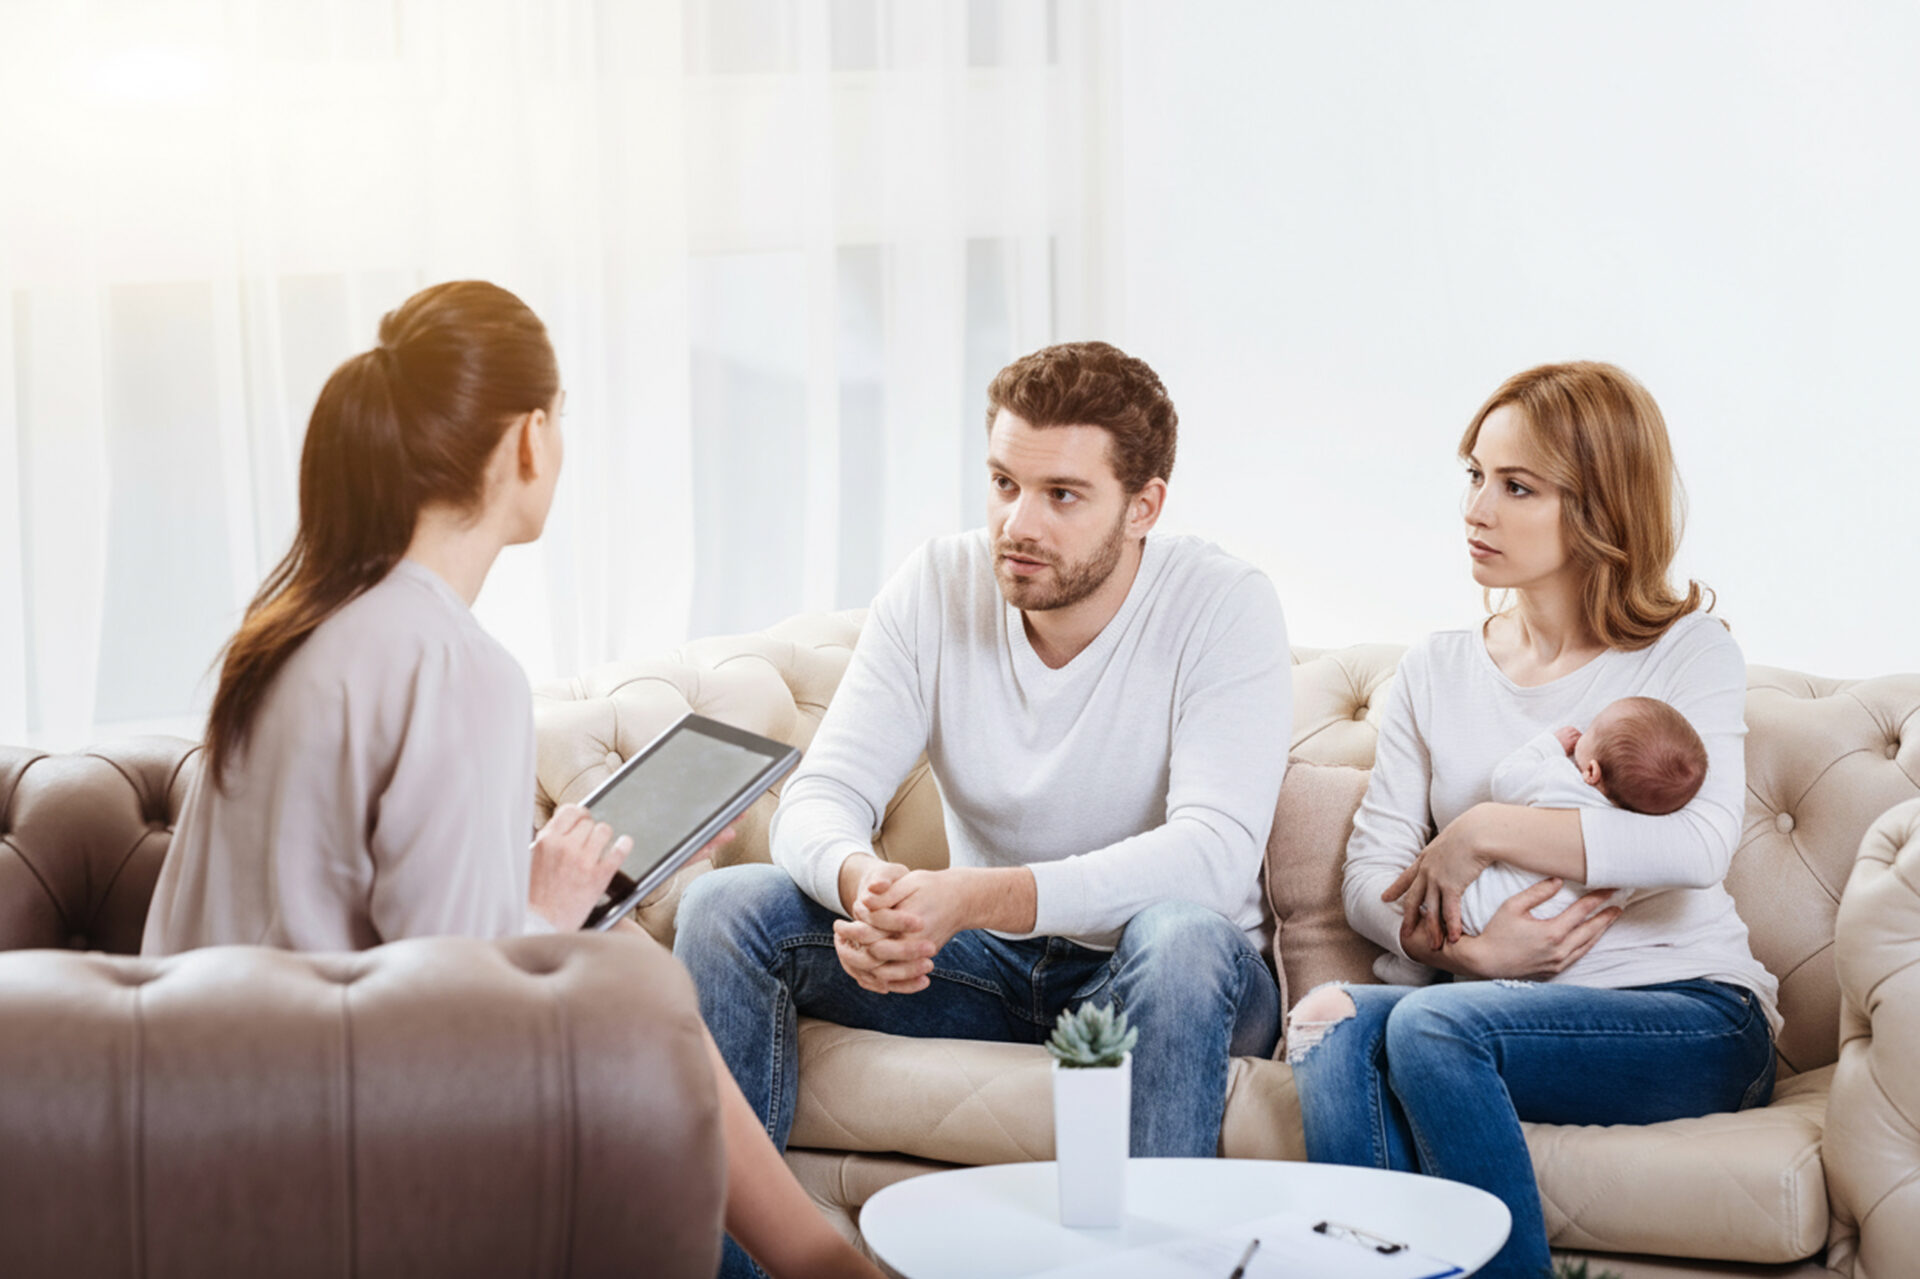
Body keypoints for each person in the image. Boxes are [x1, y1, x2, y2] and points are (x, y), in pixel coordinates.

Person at [140, 280, 883, 1279]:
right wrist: (547, 911)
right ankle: (823, 1264)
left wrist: (547, 897)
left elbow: (364, 934)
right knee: (639, 986)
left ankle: (813, 1263)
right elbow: (444, 1017)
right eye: (560, 418)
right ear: (530, 438)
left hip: (195, 1120)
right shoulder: (454, 664)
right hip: (321, 1144)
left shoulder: (287, 637)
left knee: (617, 959)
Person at [674, 342, 1291, 1272]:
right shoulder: (938, 583)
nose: (1018, 523)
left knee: (1182, 937)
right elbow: (823, 793)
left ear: (1144, 506)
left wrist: (973, 896)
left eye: (1062, 494)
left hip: (1160, 973)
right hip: (985, 966)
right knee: (726, 907)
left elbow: (1211, 855)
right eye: (1004, 483)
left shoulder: (1222, 603)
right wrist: (868, 885)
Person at [1286, 361, 1779, 1279]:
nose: (1477, 508)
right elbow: (1369, 877)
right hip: (1488, 999)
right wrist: (1469, 954)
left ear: (1599, 507)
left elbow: (1698, 844)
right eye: (1476, 475)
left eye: (1517, 486)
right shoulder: (1435, 669)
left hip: (1689, 1014)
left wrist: (1481, 831)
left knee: (1433, 1029)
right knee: (1328, 1021)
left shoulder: (1687, 651)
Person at [1371, 694, 1707, 985]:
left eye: (1591, 731)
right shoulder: (1637, 847)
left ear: (1591, 771)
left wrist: (1550, 746)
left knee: (1431, 906)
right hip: (1553, 943)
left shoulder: (1560, 780)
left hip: (1480, 908)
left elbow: (1505, 779)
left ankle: (1411, 970)